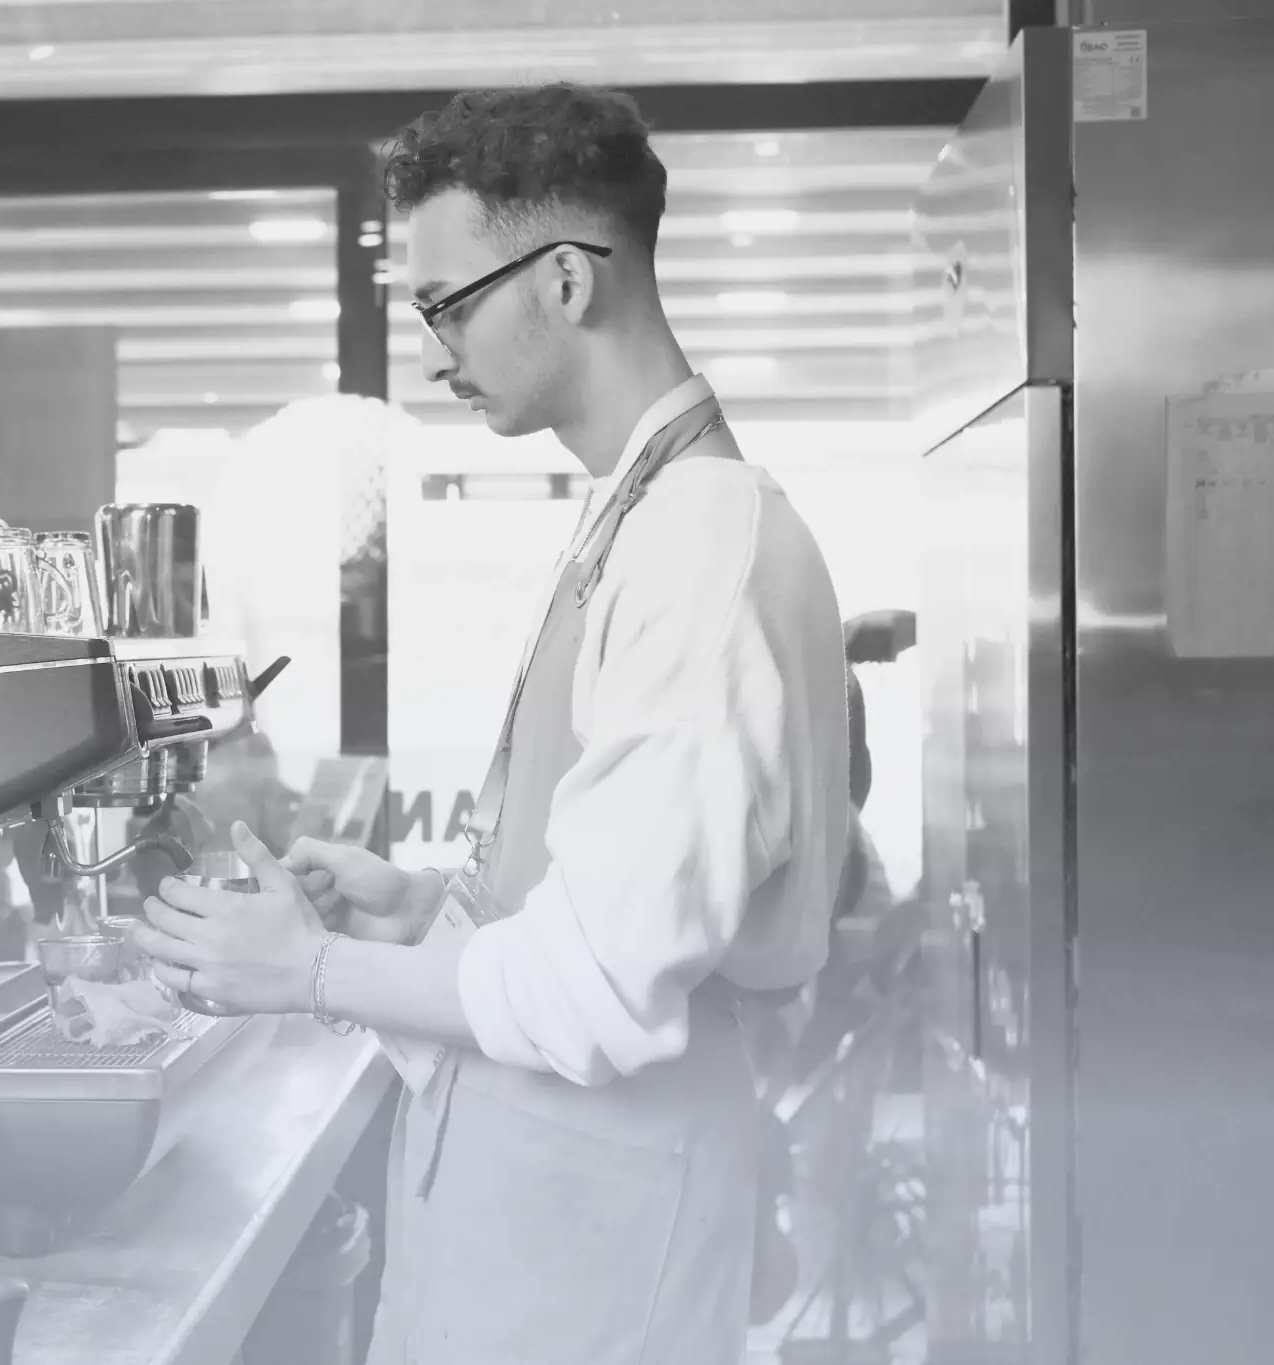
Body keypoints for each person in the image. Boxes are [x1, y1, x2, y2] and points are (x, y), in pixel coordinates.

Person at [133, 82, 850, 1365]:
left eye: (447, 303)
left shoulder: (699, 543)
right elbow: (618, 893)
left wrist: (300, 973)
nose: (430, 349)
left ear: (566, 279)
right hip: (542, 1217)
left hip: (590, 1248)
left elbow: (600, 984)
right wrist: (412, 906)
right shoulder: (635, 513)